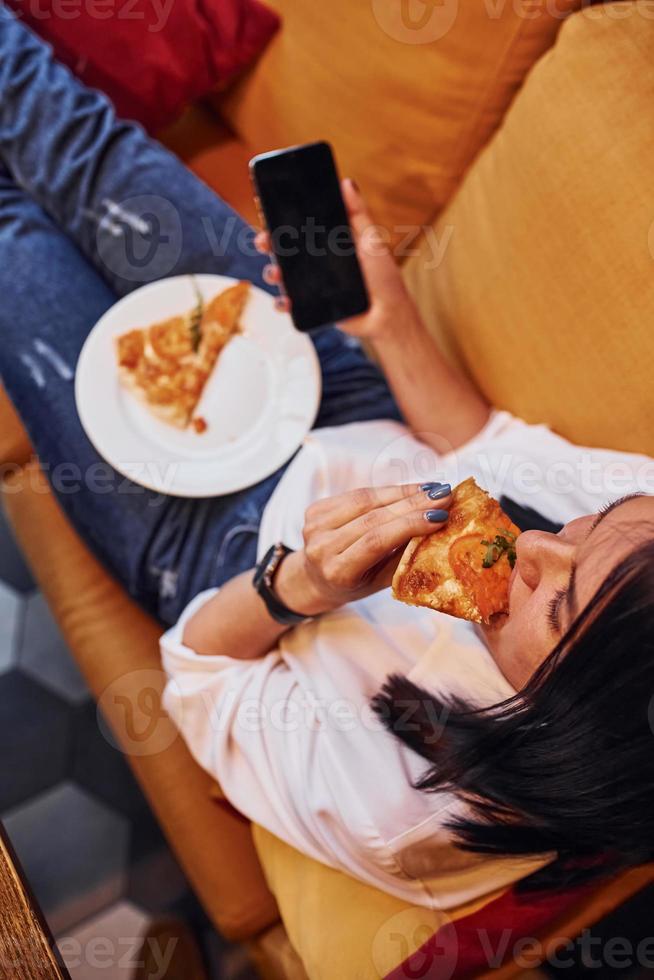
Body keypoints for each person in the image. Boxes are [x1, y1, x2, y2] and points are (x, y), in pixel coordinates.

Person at [1, 7, 654, 911]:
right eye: (592, 527)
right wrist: (386, 319)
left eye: (557, 601)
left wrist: (297, 584)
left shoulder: (400, 820)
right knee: (74, 141)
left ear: (557, 729)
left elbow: (201, 671)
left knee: (10, 235)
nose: (536, 541)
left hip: (207, 554)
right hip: (341, 401)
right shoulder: (645, 525)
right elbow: (483, 449)